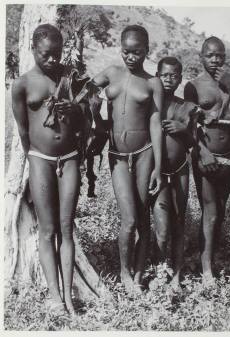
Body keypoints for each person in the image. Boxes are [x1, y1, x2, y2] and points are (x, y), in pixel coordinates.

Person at [11, 24, 95, 314]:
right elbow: (23, 130)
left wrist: (77, 112)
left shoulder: (69, 78)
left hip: (70, 158)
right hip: (40, 160)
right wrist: (36, 159)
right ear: (33, 49)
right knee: (47, 231)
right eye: (46, 55)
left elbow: (86, 121)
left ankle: (71, 300)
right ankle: (55, 298)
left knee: (66, 229)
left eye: (56, 55)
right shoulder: (22, 85)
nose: (51, 60)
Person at [92, 25, 163, 293]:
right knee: (129, 218)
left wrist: (158, 164)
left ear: (146, 51)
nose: (130, 57)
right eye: (126, 51)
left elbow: (155, 123)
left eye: (136, 52)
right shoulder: (111, 73)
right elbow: (84, 90)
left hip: (144, 153)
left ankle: (139, 272)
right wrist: (96, 119)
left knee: (142, 216)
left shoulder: (152, 83)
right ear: (120, 49)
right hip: (118, 156)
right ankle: (124, 272)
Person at [184, 36, 230, 284]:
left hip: (228, 159)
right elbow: (188, 125)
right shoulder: (194, 86)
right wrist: (203, 151)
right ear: (201, 57)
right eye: (210, 55)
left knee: (219, 213)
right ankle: (206, 269)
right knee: (210, 212)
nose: (215, 59)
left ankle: (210, 258)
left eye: (220, 55)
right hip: (206, 158)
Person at [151, 57, 198, 289]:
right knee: (162, 229)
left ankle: (177, 276)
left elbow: (195, 145)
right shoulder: (151, 105)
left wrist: (182, 130)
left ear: (181, 77)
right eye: (165, 75)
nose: (169, 79)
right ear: (157, 75)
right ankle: (160, 271)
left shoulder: (186, 107)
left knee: (179, 222)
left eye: (175, 75)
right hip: (157, 172)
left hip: (180, 171)